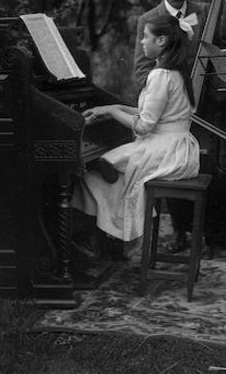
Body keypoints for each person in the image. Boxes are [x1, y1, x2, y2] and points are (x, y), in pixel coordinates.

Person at [134, 0, 226, 252]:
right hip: (171, 112)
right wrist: (169, 88)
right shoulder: (149, 19)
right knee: (173, 167)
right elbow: (141, 70)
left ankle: (215, 232)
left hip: (208, 105)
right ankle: (180, 231)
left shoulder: (205, 11)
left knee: (210, 165)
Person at [73, 13, 200, 244]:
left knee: (92, 172)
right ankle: (109, 234)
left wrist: (111, 112)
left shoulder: (160, 75)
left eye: (145, 37)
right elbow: (150, 114)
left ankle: (102, 236)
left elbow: (143, 126)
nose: (142, 42)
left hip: (167, 151)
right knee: (108, 169)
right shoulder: (177, 72)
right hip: (179, 148)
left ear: (160, 41)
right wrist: (112, 106)